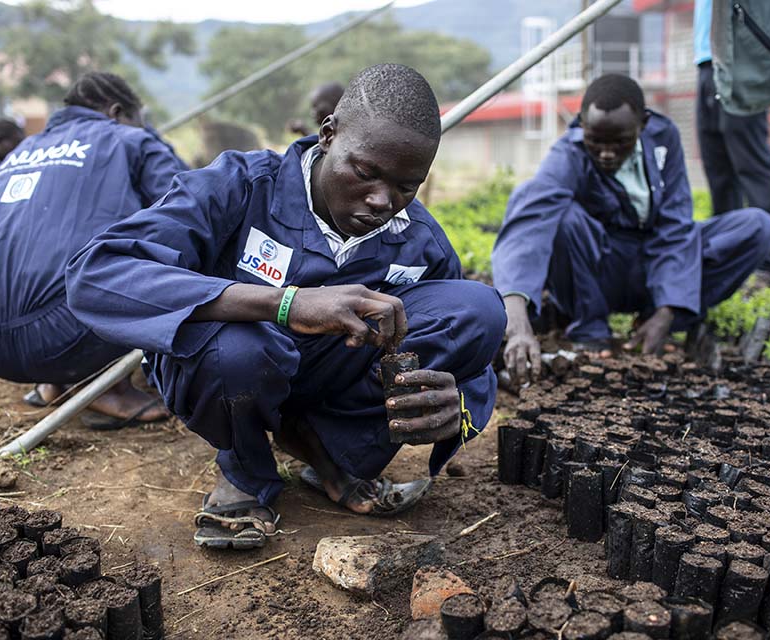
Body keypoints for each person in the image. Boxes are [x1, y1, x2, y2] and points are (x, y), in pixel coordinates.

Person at [66, 64, 506, 550]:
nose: (383, 199)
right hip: (229, 372)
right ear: (328, 135)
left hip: (325, 380)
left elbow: (468, 354)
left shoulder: (420, 243)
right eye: (364, 172)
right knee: (239, 349)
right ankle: (245, 472)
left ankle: (330, 451)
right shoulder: (241, 186)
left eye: (407, 186)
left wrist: (459, 405)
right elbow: (97, 273)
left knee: (478, 309)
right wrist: (285, 304)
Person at [492, 74, 770, 383]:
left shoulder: (664, 139)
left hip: (650, 268)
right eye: (595, 141)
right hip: (600, 273)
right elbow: (530, 222)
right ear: (582, 125)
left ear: (643, 124)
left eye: (620, 141)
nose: (606, 153)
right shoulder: (567, 153)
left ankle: (661, 316)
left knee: (756, 227)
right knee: (556, 212)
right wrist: (517, 320)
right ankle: (590, 328)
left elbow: (675, 227)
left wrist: (667, 310)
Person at [0, 72, 189, 427]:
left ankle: (55, 383)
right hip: (67, 336)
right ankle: (106, 387)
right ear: (117, 111)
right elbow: (190, 208)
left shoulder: (22, 150)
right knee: (167, 237)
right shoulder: (130, 138)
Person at [694, 0, 770, 285]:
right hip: (705, 61)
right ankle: (726, 254)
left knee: (750, 164)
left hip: (742, 56)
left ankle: (767, 263)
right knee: (717, 168)